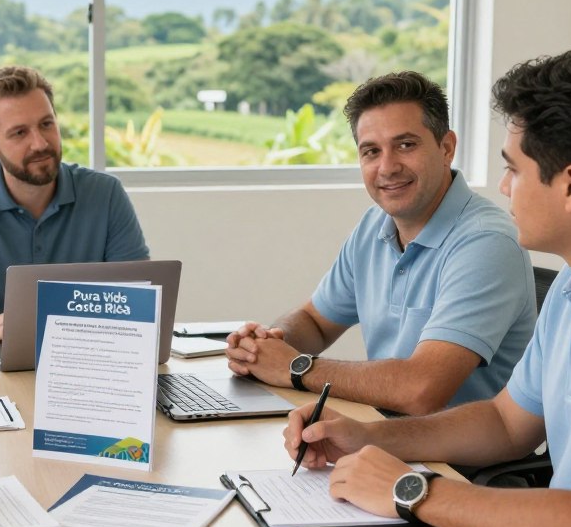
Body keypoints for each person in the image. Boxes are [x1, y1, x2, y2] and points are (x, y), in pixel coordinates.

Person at [286, 48, 571, 527]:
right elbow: (507, 424)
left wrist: (414, 490)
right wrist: (371, 436)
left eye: (514, 170)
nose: (503, 187)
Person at [226, 71, 535, 415]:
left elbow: (421, 389)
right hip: (379, 436)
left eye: (405, 145)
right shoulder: (374, 225)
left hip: (455, 462)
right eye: (371, 151)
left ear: (446, 147)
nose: (387, 167)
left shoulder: (485, 242)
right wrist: (267, 345)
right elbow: (314, 321)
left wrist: (296, 368)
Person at [0, 65, 149, 341]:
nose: (40, 143)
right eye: (20, 133)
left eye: (47, 124)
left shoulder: (105, 193)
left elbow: (139, 299)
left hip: (87, 356)